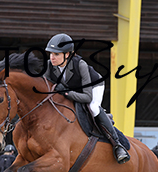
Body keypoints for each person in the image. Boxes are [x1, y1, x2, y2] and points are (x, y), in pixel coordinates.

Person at [44, 33, 130, 164]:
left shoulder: (80, 65)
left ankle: (117, 145)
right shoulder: (49, 65)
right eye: (51, 53)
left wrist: (66, 93)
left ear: (67, 55)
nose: (52, 57)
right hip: (73, 89)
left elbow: (87, 97)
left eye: (56, 54)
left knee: (93, 108)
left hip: (93, 87)